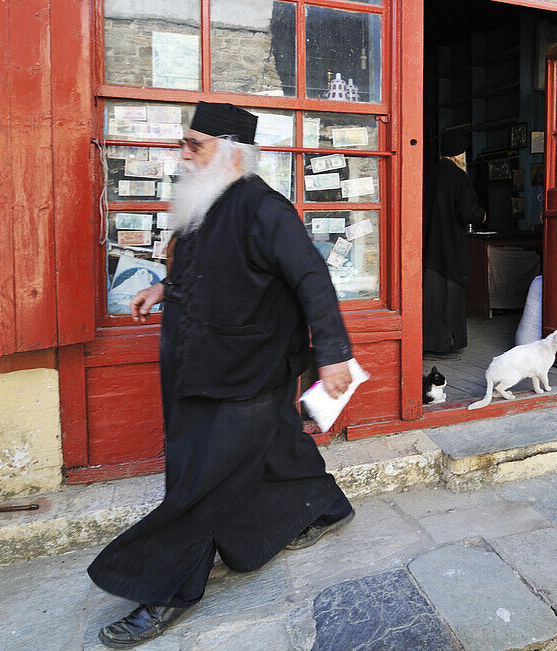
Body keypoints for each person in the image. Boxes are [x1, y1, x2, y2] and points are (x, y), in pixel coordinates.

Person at [88, 102, 356, 648]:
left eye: (196, 145)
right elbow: (208, 269)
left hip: (244, 373)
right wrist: (163, 287)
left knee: (201, 482)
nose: (183, 154)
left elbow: (313, 280)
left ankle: (165, 590)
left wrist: (333, 356)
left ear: (231, 152)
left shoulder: (265, 209)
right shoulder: (203, 201)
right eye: (184, 142)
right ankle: (328, 506)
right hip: (200, 364)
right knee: (280, 444)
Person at [423, 130, 486, 356]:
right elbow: (468, 211)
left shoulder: (428, 175)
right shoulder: (460, 177)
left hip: (429, 247)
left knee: (431, 296)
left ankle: (430, 342)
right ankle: (448, 342)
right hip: (451, 247)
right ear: (459, 154)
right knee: (451, 295)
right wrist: (482, 215)